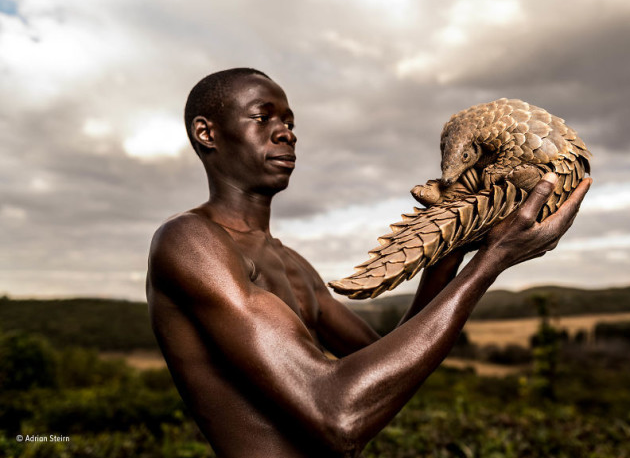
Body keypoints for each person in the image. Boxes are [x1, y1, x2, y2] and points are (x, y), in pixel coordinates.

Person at [146, 68, 592, 458]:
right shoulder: (190, 242)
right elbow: (339, 416)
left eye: (289, 122)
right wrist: (492, 262)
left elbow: (385, 366)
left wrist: (455, 245)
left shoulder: (291, 263)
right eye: (263, 118)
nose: (286, 133)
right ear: (207, 133)